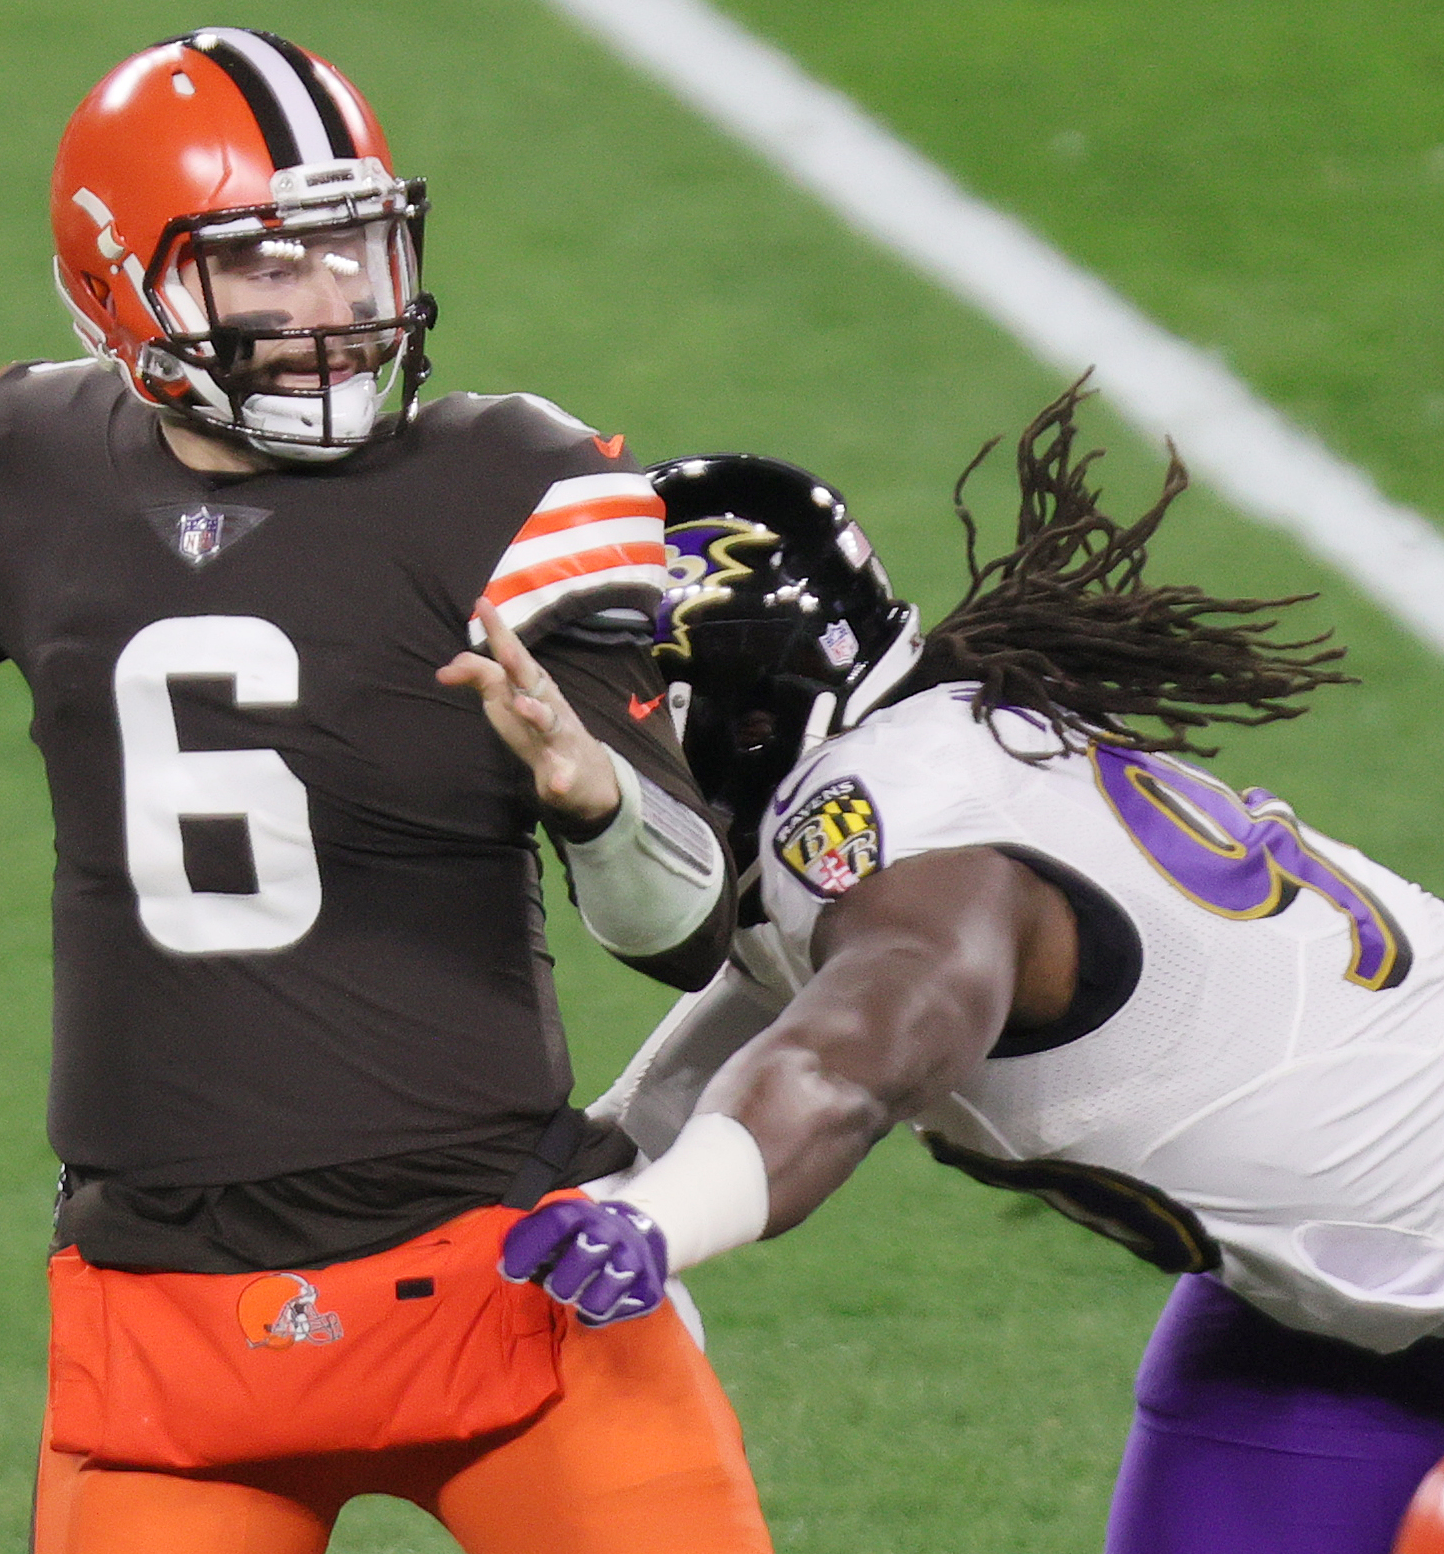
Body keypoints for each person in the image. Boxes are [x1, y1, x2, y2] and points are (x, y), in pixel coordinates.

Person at [0, 27, 773, 1554]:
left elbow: (688, 924)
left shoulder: (515, 485)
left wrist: (594, 801)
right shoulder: (34, 460)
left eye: (356, 253)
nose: (335, 311)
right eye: (270, 269)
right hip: (165, 1319)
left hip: (500, 1273)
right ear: (126, 287)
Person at [503, 382, 1444, 1554]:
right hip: (1322, 1311)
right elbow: (753, 1025)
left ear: (737, 714)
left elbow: (845, 1067)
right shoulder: (889, 782)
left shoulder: (900, 841)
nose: (588, 729)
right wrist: (584, 1175)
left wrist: (658, 1221)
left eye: (614, 695)